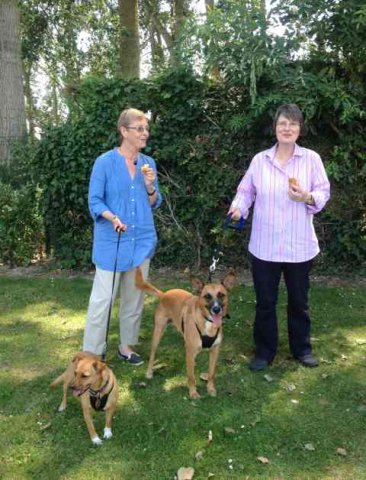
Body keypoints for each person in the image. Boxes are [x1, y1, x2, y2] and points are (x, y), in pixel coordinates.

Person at [229, 103, 330, 371]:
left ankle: (302, 349)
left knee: (299, 302)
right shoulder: (260, 160)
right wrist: (238, 208)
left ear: (300, 129)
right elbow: (246, 191)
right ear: (275, 128)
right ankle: (264, 352)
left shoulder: (311, 159)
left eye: (292, 124)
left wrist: (306, 196)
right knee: (265, 303)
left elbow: (323, 192)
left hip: (299, 246)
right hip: (265, 246)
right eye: (282, 123)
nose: (287, 128)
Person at [83, 108, 162, 365]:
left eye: (146, 129)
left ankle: (126, 346)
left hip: (141, 241)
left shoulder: (148, 163)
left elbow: (154, 202)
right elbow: (94, 200)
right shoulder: (104, 162)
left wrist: (150, 185)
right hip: (111, 242)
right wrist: (111, 216)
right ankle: (93, 351)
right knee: (102, 300)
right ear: (124, 131)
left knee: (134, 298)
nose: (145, 133)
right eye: (139, 129)